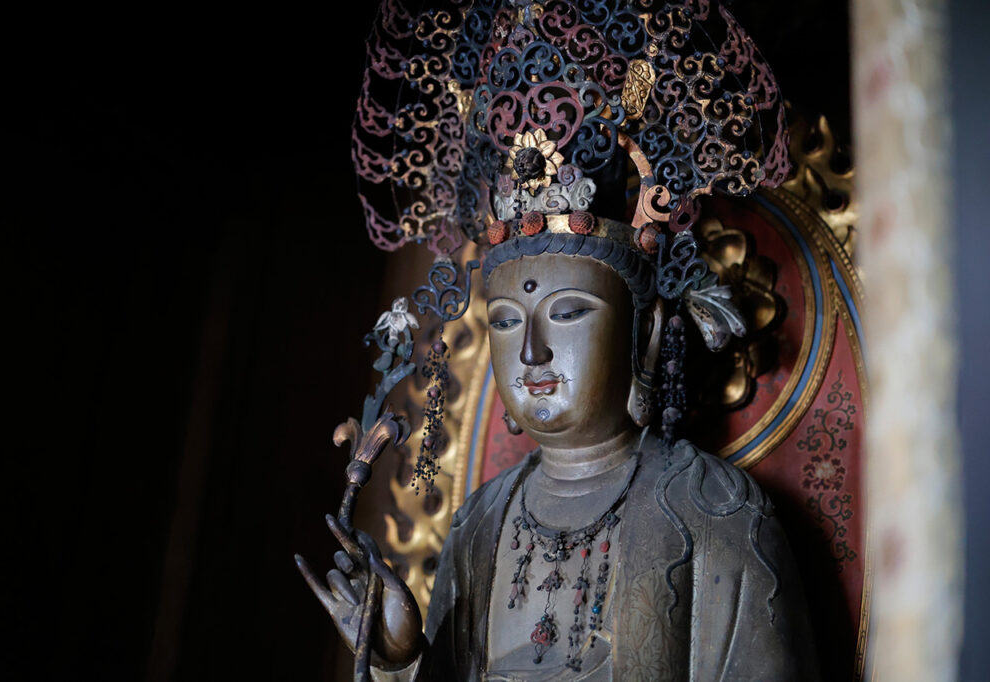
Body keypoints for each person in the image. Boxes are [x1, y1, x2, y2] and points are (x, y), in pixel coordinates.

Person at [300, 1, 818, 678]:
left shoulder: (712, 511)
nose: (533, 351)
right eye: (507, 322)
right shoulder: (480, 523)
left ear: (647, 331)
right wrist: (401, 656)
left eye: (568, 314)